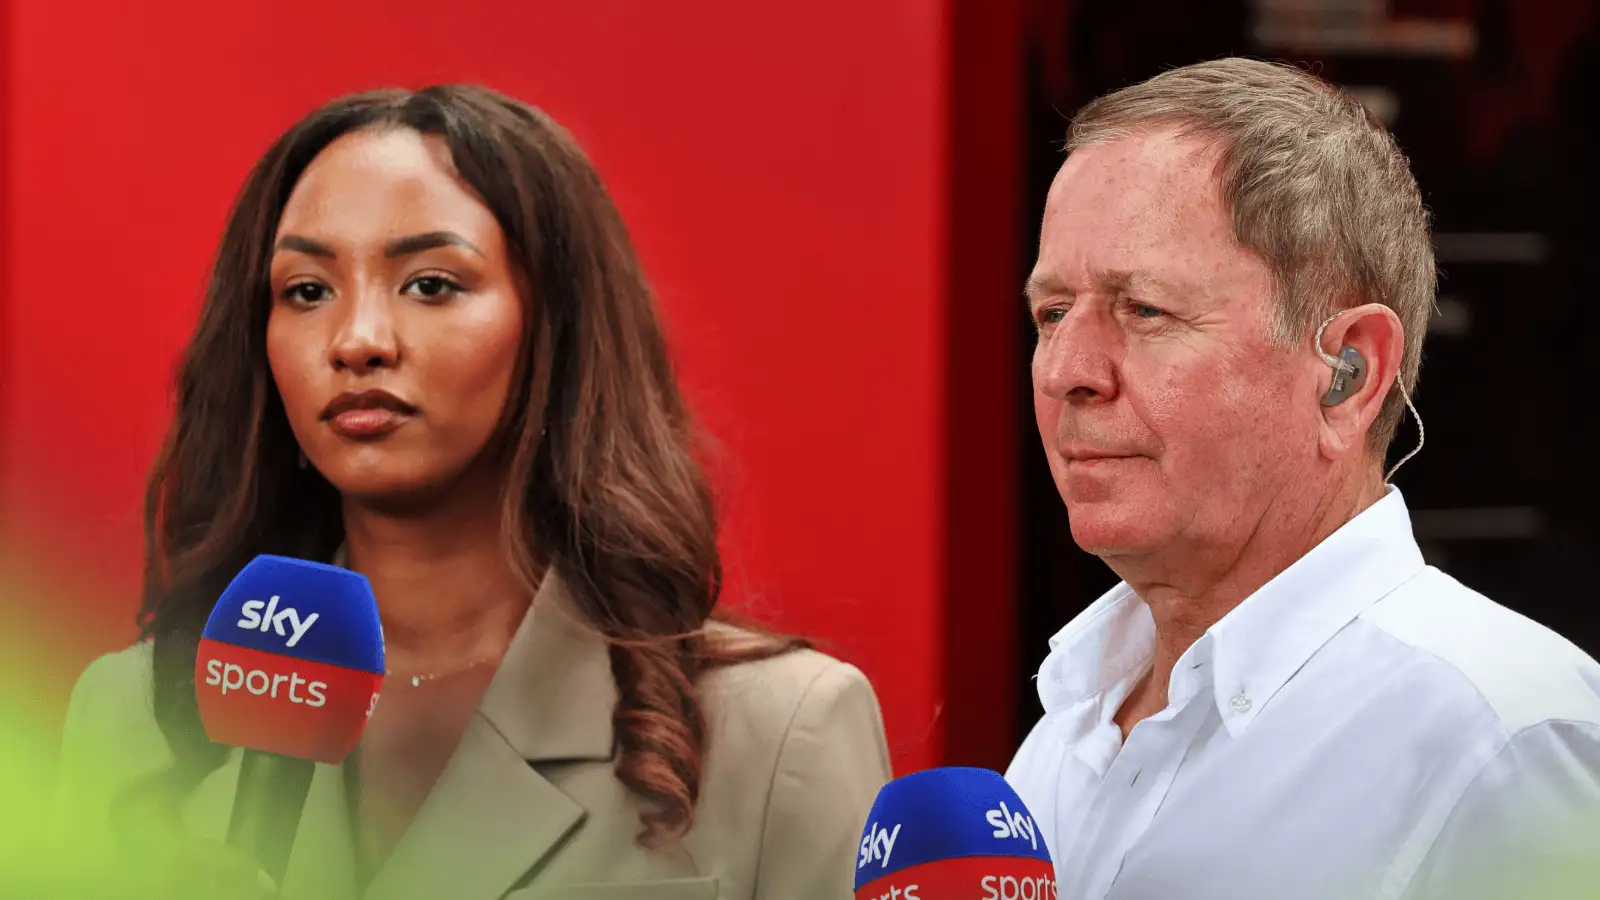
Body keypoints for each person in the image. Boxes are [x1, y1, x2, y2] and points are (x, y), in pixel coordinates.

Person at [52, 84, 891, 900]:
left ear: (554, 328)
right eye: (307, 291)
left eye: (430, 284)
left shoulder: (781, 731)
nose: (358, 340)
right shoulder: (134, 720)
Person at [1007, 57, 1600, 900]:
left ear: (1347, 375)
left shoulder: (1505, 741)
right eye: (1053, 313)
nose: (1066, 370)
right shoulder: (1069, 727)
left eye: (1145, 310)